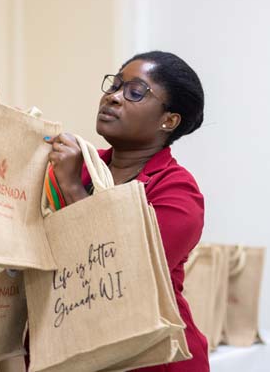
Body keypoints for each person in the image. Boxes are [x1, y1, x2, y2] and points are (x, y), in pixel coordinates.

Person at [45, 51, 209, 372]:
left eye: (135, 92)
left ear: (168, 120)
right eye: (115, 85)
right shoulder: (83, 166)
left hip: (150, 359)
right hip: (71, 345)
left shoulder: (176, 191)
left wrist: (73, 188)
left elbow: (124, 272)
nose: (113, 97)